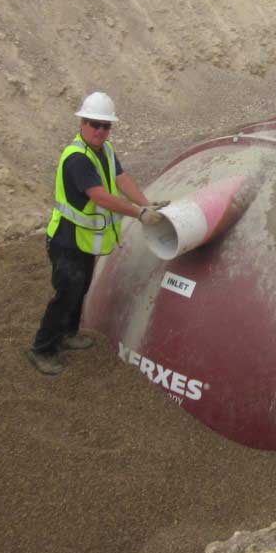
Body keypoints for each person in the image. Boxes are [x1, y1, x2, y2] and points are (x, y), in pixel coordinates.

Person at [26, 91, 167, 376]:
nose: (100, 130)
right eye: (94, 124)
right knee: (67, 291)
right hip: (65, 240)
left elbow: (120, 178)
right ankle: (42, 348)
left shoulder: (106, 151)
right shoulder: (77, 158)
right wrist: (138, 214)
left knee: (81, 286)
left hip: (83, 239)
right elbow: (100, 196)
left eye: (105, 126)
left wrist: (145, 202)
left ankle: (69, 333)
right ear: (82, 123)